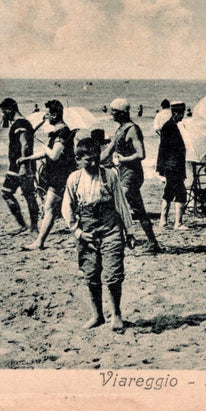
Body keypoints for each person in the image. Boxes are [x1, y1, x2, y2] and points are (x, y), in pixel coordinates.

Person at [62, 137, 133, 331]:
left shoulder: (109, 175)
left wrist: (129, 231)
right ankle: (97, 315)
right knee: (91, 273)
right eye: (88, 160)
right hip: (87, 230)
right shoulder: (74, 179)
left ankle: (116, 314)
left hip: (111, 228)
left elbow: (121, 204)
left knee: (113, 273)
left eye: (96, 159)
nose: (93, 163)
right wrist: (77, 232)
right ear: (78, 160)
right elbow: (66, 208)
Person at [101, 98, 163, 254]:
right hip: (123, 172)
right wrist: (90, 162)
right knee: (138, 209)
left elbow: (141, 154)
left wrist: (123, 159)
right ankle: (152, 242)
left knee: (117, 204)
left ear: (121, 113)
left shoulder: (133, 129)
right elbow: (108, 152)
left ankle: (122, 239)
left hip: (132, 173)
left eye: (113, 111)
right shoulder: (120, 129)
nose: (111, 114)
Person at [17, 99, 76, 251]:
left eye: (48, 114)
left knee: (50, 208)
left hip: (61, 175)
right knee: (62, 208)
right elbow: (46, 153)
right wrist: (27, 158)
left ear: (55, 115)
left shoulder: (63, 132)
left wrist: (44, 145)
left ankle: (39, 242)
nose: (46, 117)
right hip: (57, 175)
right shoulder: (58, 132)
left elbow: (54, 155)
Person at [0, 98, 39, 236]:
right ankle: (24, 225)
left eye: (4, 111)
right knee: (7, 192)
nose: (4, 115)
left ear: (10, 109)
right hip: (15, 165)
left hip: (22, 165)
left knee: (29, 195)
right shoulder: (22, 123)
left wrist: (23, 166)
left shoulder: (20, 123)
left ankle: (33, 226)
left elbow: (25, 144)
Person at [156, 101, 189, 230]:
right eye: (181, 114)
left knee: (168, 192)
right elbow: (172, 150)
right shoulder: (171, 127)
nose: (182, 116)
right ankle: (178, 223)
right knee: (181, 193)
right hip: (175, 166)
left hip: (169, 166)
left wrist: (161, 167)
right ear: (176, 113)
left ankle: (162, 220)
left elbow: (162, 149)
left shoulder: (168, 126)